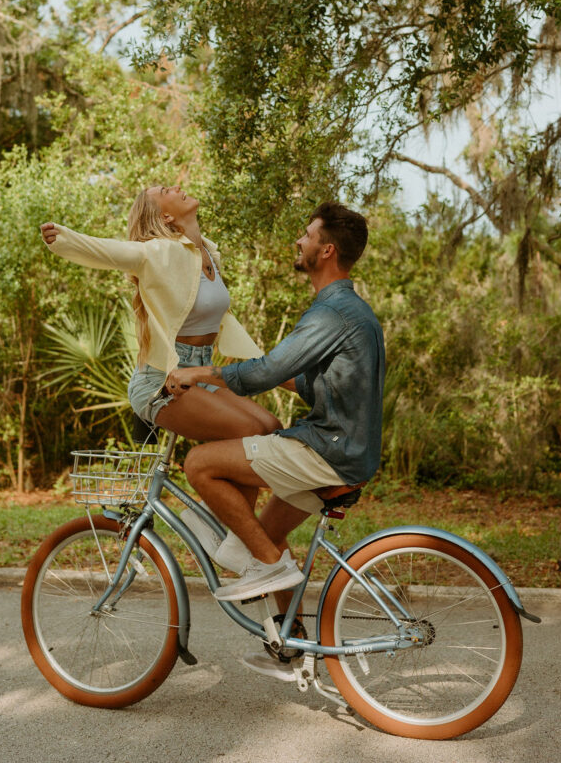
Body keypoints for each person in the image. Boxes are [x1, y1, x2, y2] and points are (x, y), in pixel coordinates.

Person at [167, 201, 384, 677]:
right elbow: (307, 381)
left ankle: (266, 566)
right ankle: (291, 643)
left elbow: (266, 371)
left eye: (306, 235)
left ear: (326, 250)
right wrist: (233, 376)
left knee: (200, 464)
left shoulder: (333, 312)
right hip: (348, 451)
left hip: (327, 449)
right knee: (269, 534)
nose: (299, 242)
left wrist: (200, 373)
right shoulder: (349, 310)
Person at [41, 184, 281, 573]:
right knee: (249, 429)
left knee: (268, 427)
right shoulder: (159, 253)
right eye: (165, 191)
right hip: (162, 381)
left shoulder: (207, 252)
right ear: (165, 216)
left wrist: (276, 371)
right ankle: (232, 534)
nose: (177, 186)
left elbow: (226, 323)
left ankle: (225, 528)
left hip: (202, 374)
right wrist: (64, 238)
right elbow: (113, 252)